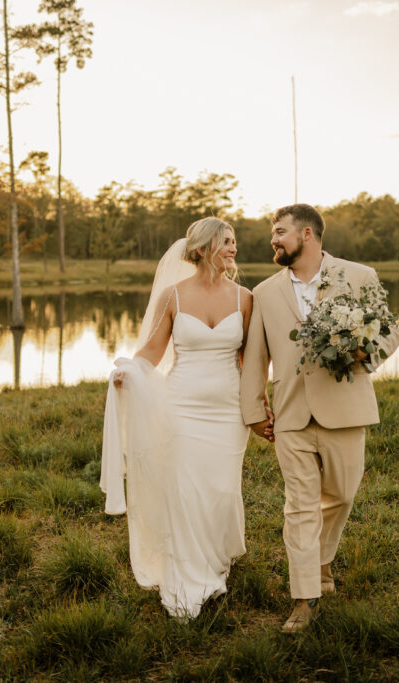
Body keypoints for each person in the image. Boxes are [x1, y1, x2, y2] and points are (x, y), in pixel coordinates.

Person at [240, 203, 399, 633]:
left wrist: (361, 353)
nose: (273, 239)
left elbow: (390, 331)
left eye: (280, 231)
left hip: (346, 409)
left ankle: (323, 561)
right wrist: (255, 411)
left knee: (342, 495)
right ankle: (304, 599)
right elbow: (256, 356)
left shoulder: (359, 276)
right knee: (299, 508)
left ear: (307, 234)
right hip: (291, 414)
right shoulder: (264, 292)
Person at [100, 217, 263, 620]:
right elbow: (152, 353)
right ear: (205, 246)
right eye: (227, 242)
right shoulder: (172, 297)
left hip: (227, 413)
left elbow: (251, 362)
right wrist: (130, 374)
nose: (233, 249)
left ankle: (216, 559)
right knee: (187, 491)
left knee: (222, 491)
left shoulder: (245, 298)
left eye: (234, 242)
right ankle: (191, 575)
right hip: (183, 408)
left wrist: (258, 405)